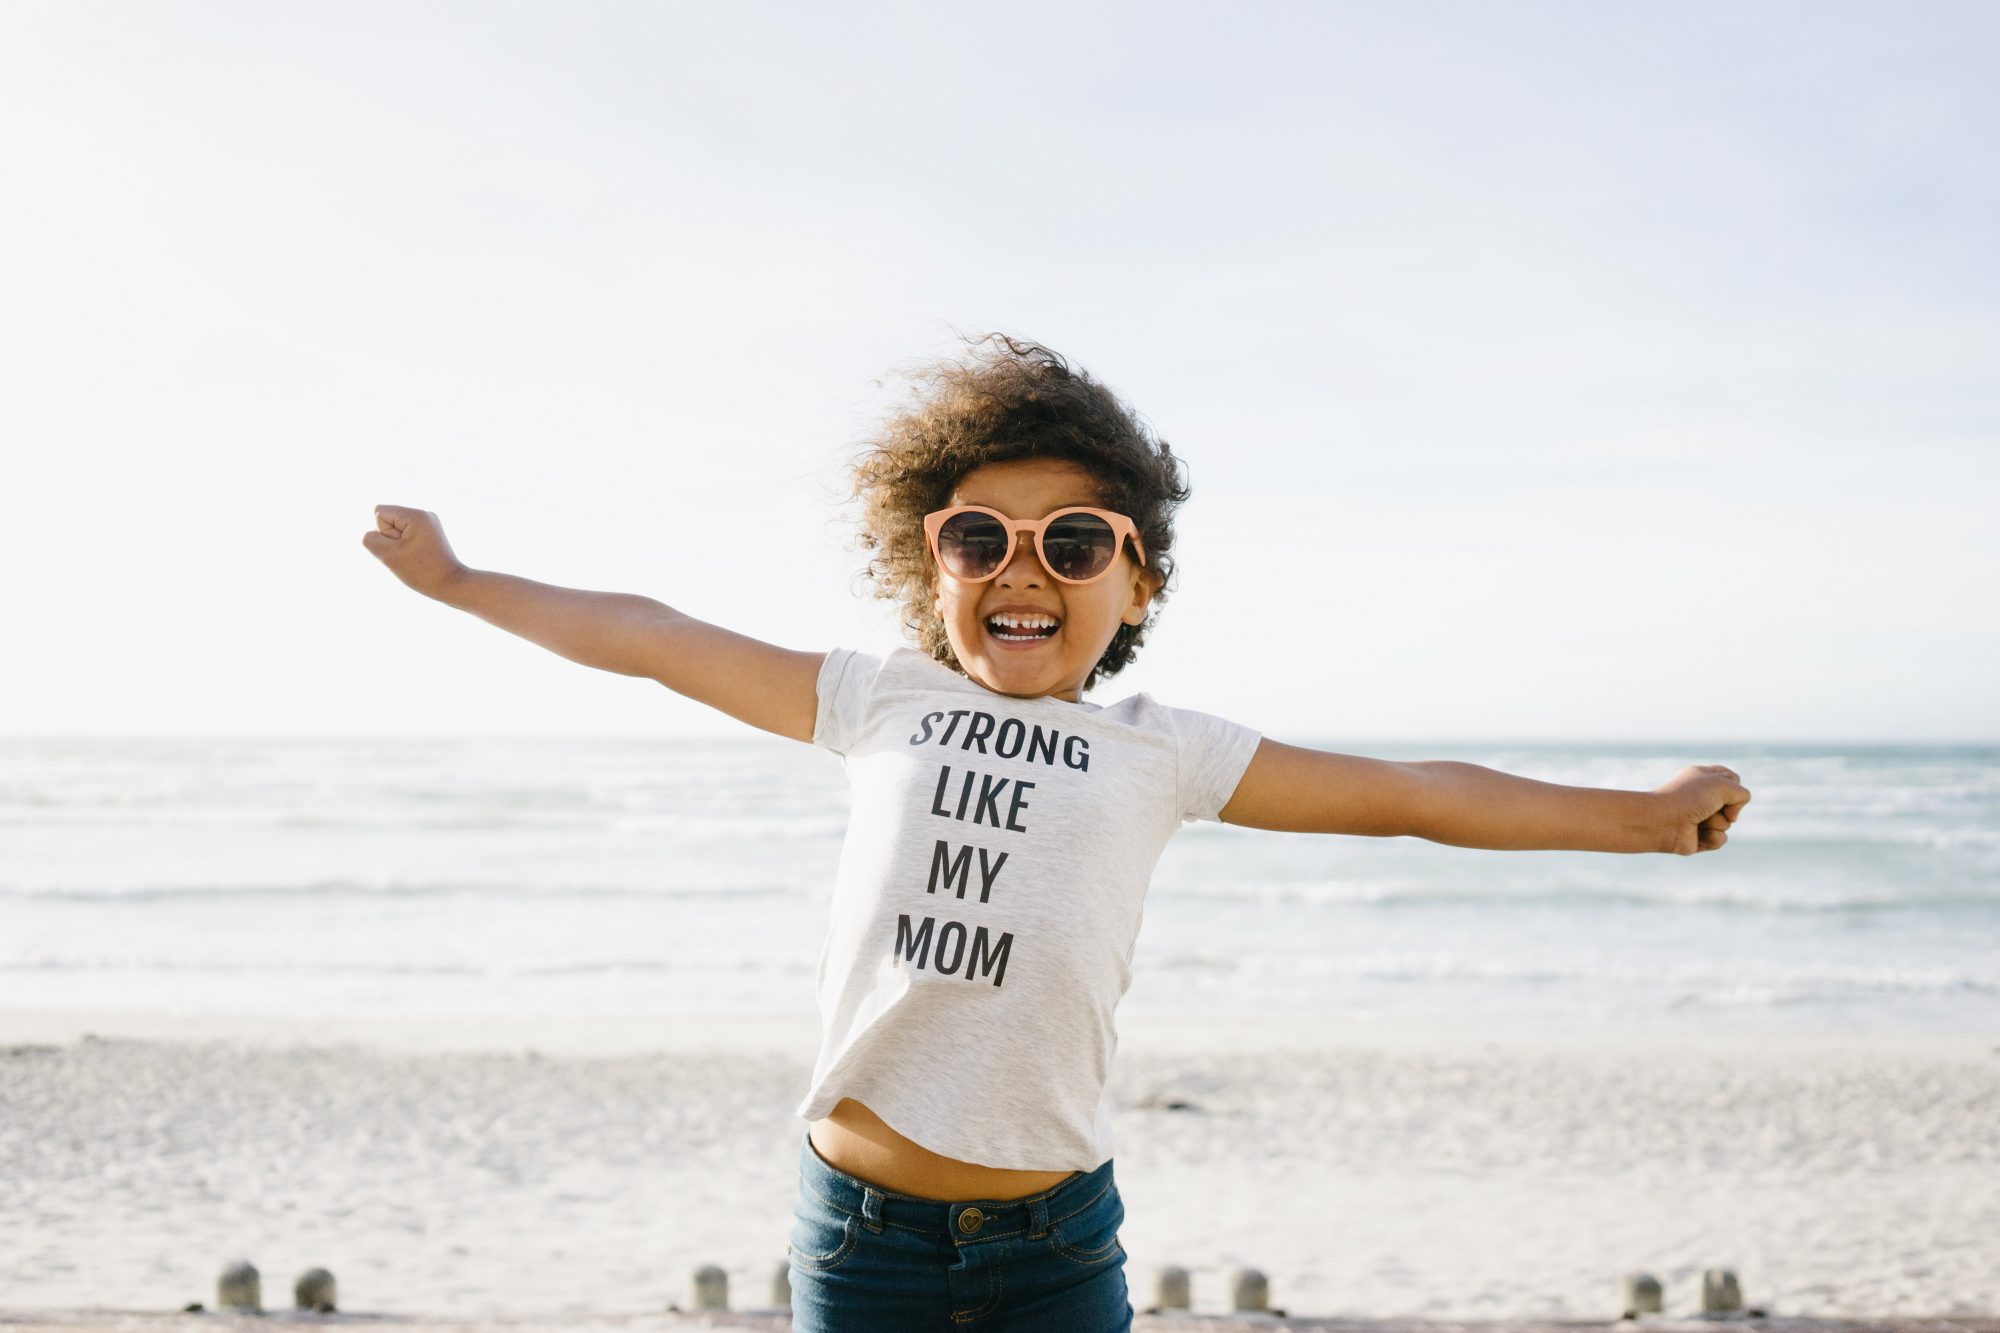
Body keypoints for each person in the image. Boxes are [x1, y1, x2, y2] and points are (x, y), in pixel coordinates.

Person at [362, 332, 1751, 1331]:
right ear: (934, 565)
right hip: (862, 1240)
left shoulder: (1166, 751)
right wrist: (463, 580)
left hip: (1057, 1244)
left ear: (1134, 578)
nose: (1024, 568)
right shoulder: (876, 701)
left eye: (1075, 542)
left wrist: (1640, 819)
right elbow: (655, 638)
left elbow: (1418, 797)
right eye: (981, 539)